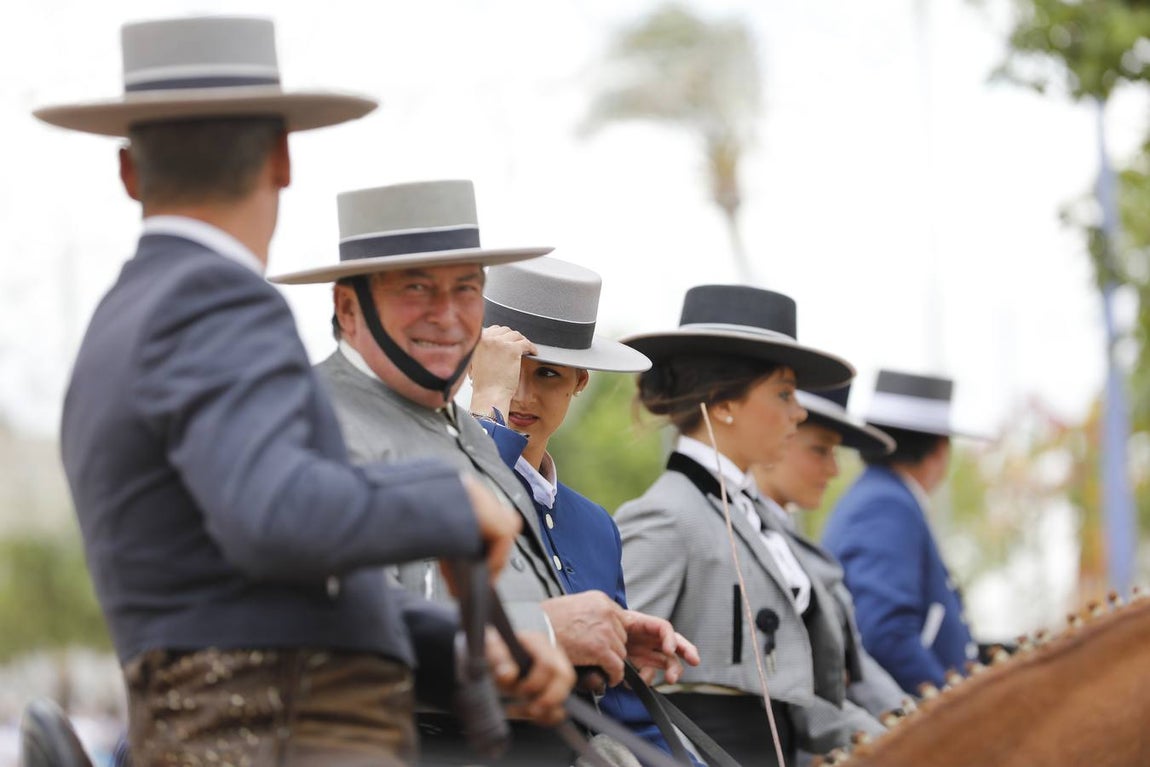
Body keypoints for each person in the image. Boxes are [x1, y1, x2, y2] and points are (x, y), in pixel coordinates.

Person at [39, 17, 569, 767]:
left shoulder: (117, 324)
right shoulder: (217, 298)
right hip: (294, 735)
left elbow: (263, 579)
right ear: (283, 159)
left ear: (129, 170)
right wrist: (445, 502)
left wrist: (457, 639)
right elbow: (274, 517)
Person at [272, 182, 692, 765]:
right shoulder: (304, 419)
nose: (447, 316)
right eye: (417, 288)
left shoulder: (453, 427)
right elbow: (335, 619)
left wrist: (600, 634)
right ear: (348, 307)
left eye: (466, 288)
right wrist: (547, 632)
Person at [615, 285, 885, 767]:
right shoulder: (666, 517)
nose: (798, 413)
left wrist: (893, 737)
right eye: (783, 393)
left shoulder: (756, 518)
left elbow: (792, 698)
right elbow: (616, 683)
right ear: (722, 403)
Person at [467, 256, 702, 760]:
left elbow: (620, 702)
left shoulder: (595, 526)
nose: (523, 395)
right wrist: (487, 400)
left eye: (548, 374)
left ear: (579, 382)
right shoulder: (434, 476)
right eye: (511, 373)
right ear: (475, 366)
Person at [751, 385, 907, 718]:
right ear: (776, 438)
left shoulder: (792, 543)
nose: (834, 470)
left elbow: (851, 663)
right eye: (820, 451)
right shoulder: (736, 539)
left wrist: (908, 718)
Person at [821, 369, 979, 695]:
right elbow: (886, 632)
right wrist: (952, 704)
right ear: (939, 449)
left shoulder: (882, 497)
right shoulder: (888, 505)